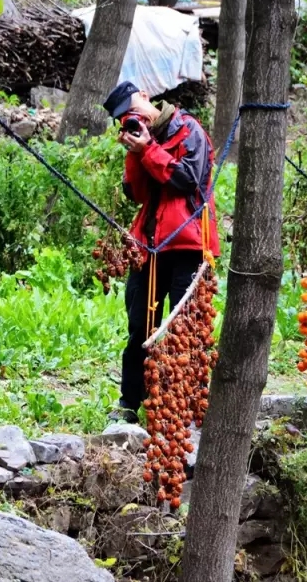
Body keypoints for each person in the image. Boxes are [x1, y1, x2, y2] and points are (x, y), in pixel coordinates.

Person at [102, 81, 220, 424]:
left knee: (186, 327)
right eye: (124, 119)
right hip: (150, 245)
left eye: (132, 113)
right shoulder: (139, 143)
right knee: (141, 325)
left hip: (189, 245)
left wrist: (150, 148)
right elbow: (135, 194)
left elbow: (187, 180)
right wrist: (135, 154)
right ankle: (129, 404)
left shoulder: (188, 129)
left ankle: (188, 405)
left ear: (143, 97)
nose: (131, 120)